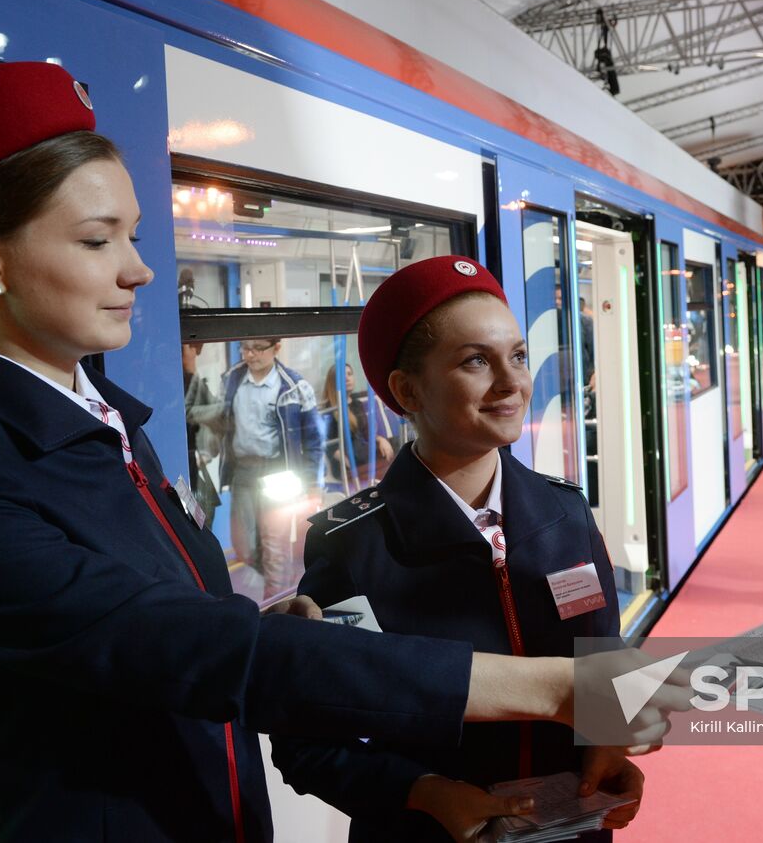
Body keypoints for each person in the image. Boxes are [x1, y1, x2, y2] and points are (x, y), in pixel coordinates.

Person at [0, 63, 676, 843]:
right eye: (99, 242)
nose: (140, 270)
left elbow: (167, 635)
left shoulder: (101, 430)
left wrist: (270, 624)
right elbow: (187, 650)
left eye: (133, 236)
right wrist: (554, 690)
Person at [273, 257, 640, 841]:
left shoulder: (565, 513)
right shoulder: (352, 546)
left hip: (568, 826)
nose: (513, 382)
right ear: (406, 389)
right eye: (476, 361)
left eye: (518, 355)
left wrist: (602, 744)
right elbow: (308, 739)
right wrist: (424, 793)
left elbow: (601, 659)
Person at [219, 337, 325, 600]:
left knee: (274, 546)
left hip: (278, 470)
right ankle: (280, 580)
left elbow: (314, 438)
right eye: (245, 347)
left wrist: (312, 482)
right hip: (243, 470)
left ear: (276, 348)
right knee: (243, 546)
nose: (250, 354)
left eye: (257, 348)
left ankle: (275, 607)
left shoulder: (294, 386)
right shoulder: (231, 379)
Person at [321, 361, 395, 491]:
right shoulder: (330, 409)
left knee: (396, 443)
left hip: (362, 452)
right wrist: (342, 458)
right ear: (333, 381)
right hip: (351, 461)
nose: (347, 378)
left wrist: (380, 439)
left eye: (349, 374)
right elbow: (328, 443)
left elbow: (366, 433)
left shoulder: (356, 404)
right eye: (342, 375)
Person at [183, 341, 223, 526]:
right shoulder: (175, 383)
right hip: (183, 471)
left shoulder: (195, 383)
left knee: (202, 523)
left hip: (196, 470)